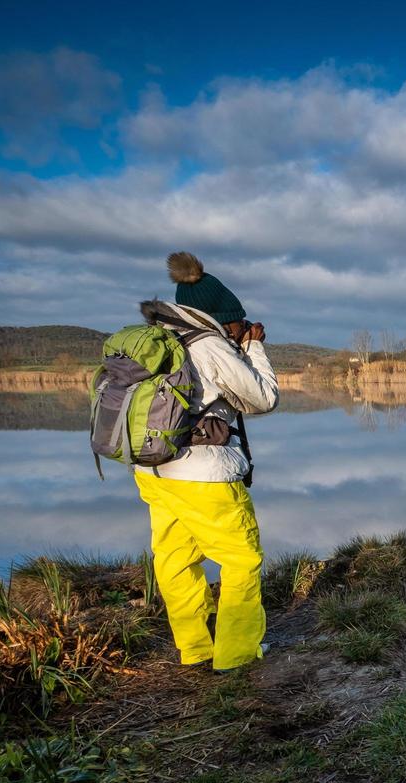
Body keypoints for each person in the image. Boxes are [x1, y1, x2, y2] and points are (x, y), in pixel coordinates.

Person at [136, 252, 279, 671]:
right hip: (203, 475)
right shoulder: (210, 344)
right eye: (237, 320)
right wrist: (253, 347)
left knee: (176, 559)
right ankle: (236, 657)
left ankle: (195, 649)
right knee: (241, 560)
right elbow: (262, 399)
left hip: (153, 470)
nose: (240, 327)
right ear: (219, 316)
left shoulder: (156, 342)